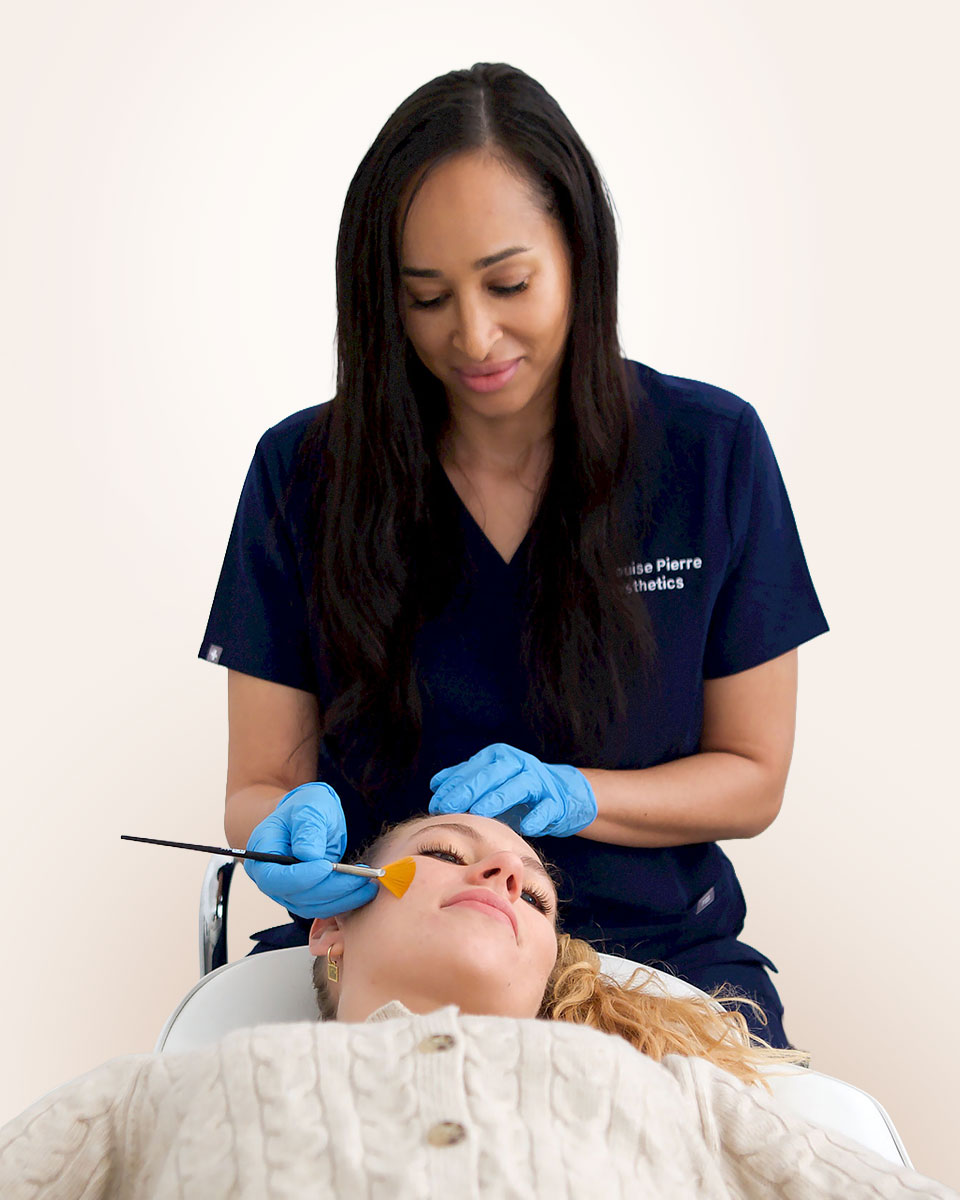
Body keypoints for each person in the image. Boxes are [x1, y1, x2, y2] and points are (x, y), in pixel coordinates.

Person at [199, 61, 829, 1048]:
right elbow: (258, 781)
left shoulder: (710, 453)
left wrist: (582, 796)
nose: (475, 335)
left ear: (580, 256)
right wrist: (281, 830)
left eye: (508, 283)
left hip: (655, 953)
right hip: (381, 946)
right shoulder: (301, 473)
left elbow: (753, 773)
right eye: (426, 297)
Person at [1, 814, 954, 1199]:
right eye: (451, 855)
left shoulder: (678, 1096)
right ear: (327, 924)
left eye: (533, 895)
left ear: (547, 974)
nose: (503, 870)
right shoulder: (159, 1094)